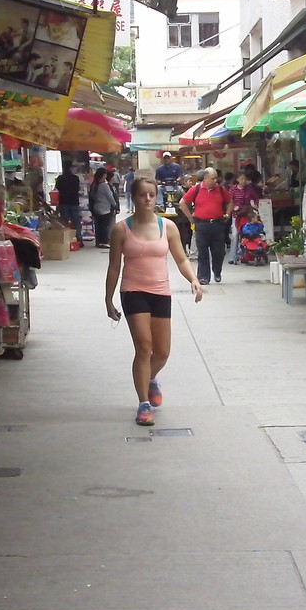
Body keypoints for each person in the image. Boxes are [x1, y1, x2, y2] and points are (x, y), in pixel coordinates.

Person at [105, 177, 203, 426]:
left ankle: (151, 379)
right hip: (133, 291)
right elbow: (114, 267)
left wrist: (193, 279)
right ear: (134, 198)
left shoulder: (167, 227)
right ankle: (143, 404)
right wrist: (108, 299)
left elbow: (181, 259)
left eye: (151, 194)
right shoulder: (121, 229)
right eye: (142, 195)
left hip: (161, 292)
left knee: (162, 352)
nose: (147, 199)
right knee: (144, 347)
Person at [179, 167, 230, 285]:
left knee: (219, 252)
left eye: (216, 178)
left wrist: (228, 213)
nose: (215, 181)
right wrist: (191, 218)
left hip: (218, 224)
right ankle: (203, 277)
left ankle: (217, 271)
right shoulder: (195, 189)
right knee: (202, 252)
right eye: (213, 178)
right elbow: (182, 203)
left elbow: (230, 201)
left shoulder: (221, 189)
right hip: (201, 224)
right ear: (205, 179)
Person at [227, 171, 262, 265]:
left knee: (247, 234)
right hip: (236, 215)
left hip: (247, 215)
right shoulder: (233, 189)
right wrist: (233, 208)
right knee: (235, 235)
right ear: (237, 180)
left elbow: (256, 198)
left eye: (245, 179)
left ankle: (246, 255)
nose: (243, 181)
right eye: (241, 179)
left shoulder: (249, 189)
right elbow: (229, 200)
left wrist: (255, 205)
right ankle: (232, 256)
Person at [54, 163, 83, 247]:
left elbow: (58, 188)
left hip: (63, 202)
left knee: (64, 221)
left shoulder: (60, 178)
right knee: (76, 221)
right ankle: (78, 239)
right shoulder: (75, 178)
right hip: (74, 201)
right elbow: (77, 189)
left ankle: (66, 240)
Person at [89, 168, 118, 249]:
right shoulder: (104, 185)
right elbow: (110, 197)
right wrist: (114, 205)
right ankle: (104, 241)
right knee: (105, 226)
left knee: (98, 225)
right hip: (104, 209)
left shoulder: (94, 184)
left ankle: (98, 241)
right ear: (103, 175)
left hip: (96, 208)